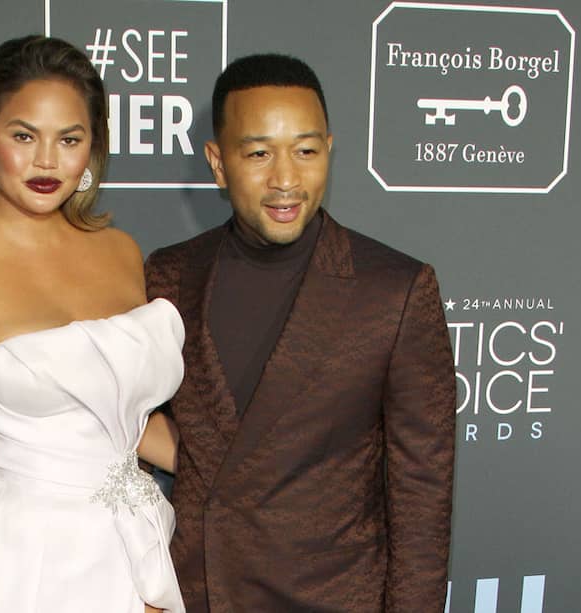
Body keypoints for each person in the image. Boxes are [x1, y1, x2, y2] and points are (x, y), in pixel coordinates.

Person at [144, 53, 456, 612]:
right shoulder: (168, 275)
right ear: (218, 163)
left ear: (329, 152)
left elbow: (422, 498)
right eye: (259, 153)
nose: (286, 179)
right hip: (196, 593)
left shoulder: (397, 290)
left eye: (306, 151)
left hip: (330, 598)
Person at [0, 35, 185, 613]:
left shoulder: (123, 253)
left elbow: (122, 416)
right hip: (15, 550)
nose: (46, 161)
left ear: (92, 148)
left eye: (69, 139)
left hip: (132, 541)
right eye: (23, 135)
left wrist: (254, 472)